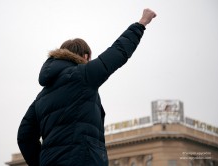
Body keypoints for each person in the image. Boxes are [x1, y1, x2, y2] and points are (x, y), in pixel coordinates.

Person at [17, 8, 156, 166]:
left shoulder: (41, 97)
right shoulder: (82, 76)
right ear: (85, 57)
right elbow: (118, 52)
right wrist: (141, 23)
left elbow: (24, 136)